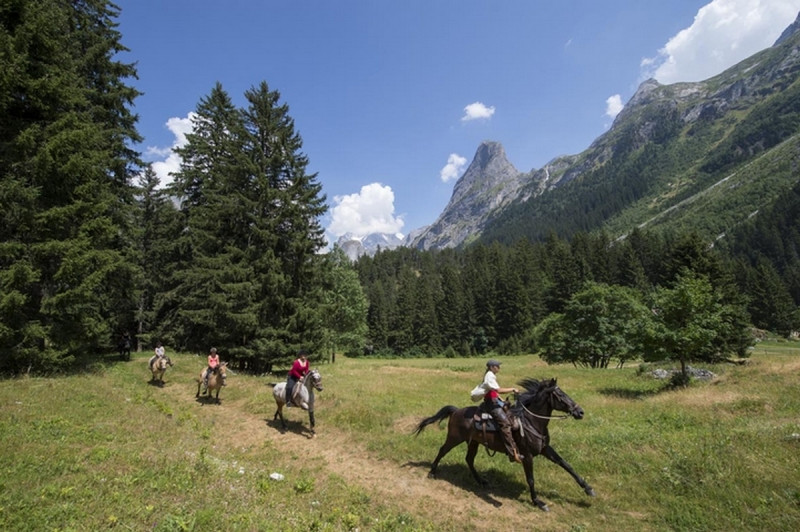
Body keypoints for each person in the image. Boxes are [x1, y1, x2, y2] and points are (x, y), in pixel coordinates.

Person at [479, 359, 522, 463]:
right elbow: (498, 390)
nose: (499, 367)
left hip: (495, 402)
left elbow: (493, 391)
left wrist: (501, 400)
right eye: (497, 366)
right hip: (491, 405)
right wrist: (512, 389)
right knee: (505, 424)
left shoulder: (491, 375)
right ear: (491, 367)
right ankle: (512, 453)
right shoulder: (489, 375)